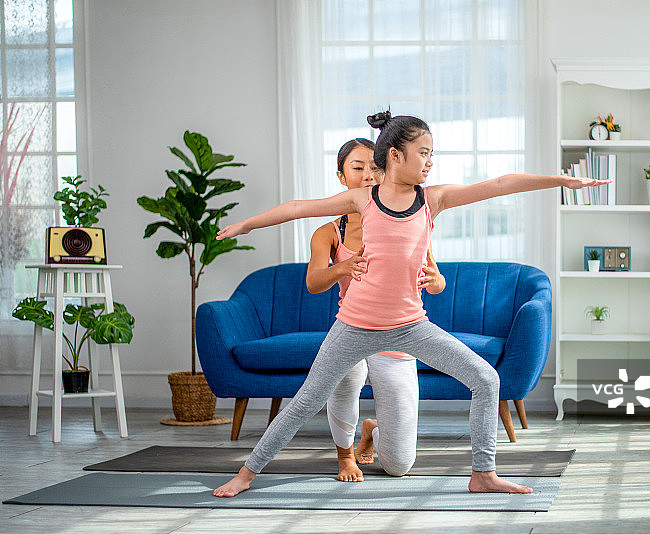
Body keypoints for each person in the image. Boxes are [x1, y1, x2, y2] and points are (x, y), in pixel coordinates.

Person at [213, 110, 608, 497]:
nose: (430, 162)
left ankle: (483, 473)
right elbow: (298, 208)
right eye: (423, 152)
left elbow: (501, 183)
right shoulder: (361, 200)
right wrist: (246, 224)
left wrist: (562, 180)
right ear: (396, 155)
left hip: (410, 327)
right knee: (304, 402)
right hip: (353, 326)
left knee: (486, 379)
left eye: (432, 154)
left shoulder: (431, 201)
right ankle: (247, 474)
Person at [307, 138, 445, 483]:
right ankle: (345, 457)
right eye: (357, 168)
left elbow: (438, 283)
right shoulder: (329, 232)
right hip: (352, 330)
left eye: (374, 166)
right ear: (342, 177)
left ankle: (371, 430)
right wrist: (344, 267)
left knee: (399, 466)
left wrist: (435, 279)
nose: (368, 174)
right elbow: (313, 284)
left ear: (387, 168)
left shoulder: (410, 220)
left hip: (397, 337)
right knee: (347, 376)